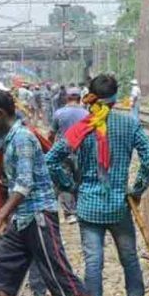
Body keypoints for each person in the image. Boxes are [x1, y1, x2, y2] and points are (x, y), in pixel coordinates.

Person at [0, 90, 105, 296]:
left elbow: (23, 184)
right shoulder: (10, 139)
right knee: (0, 265)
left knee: (59, 270)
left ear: (1, 115)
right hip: (23, 218)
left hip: (38, 215)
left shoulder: (22, 139)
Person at [46, 74, 149, 296]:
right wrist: (138, 188)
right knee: (129, 258)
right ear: (116, 98)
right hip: (119, 204)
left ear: (91, 97)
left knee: (93, 263)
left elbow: (51, 159)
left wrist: (69, 186)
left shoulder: (82, 128)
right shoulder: (128, 123)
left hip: (88, 205)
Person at [49, 87, 88, 223]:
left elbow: (51, 134)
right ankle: (81, 208)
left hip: (62, 152)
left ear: (67, 98)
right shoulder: (86, 113)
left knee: (64, 181)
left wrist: (52, 146)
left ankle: (70, 213)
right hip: (81, 151)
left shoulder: (59, 113)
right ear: (79, 98)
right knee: (79, 178)